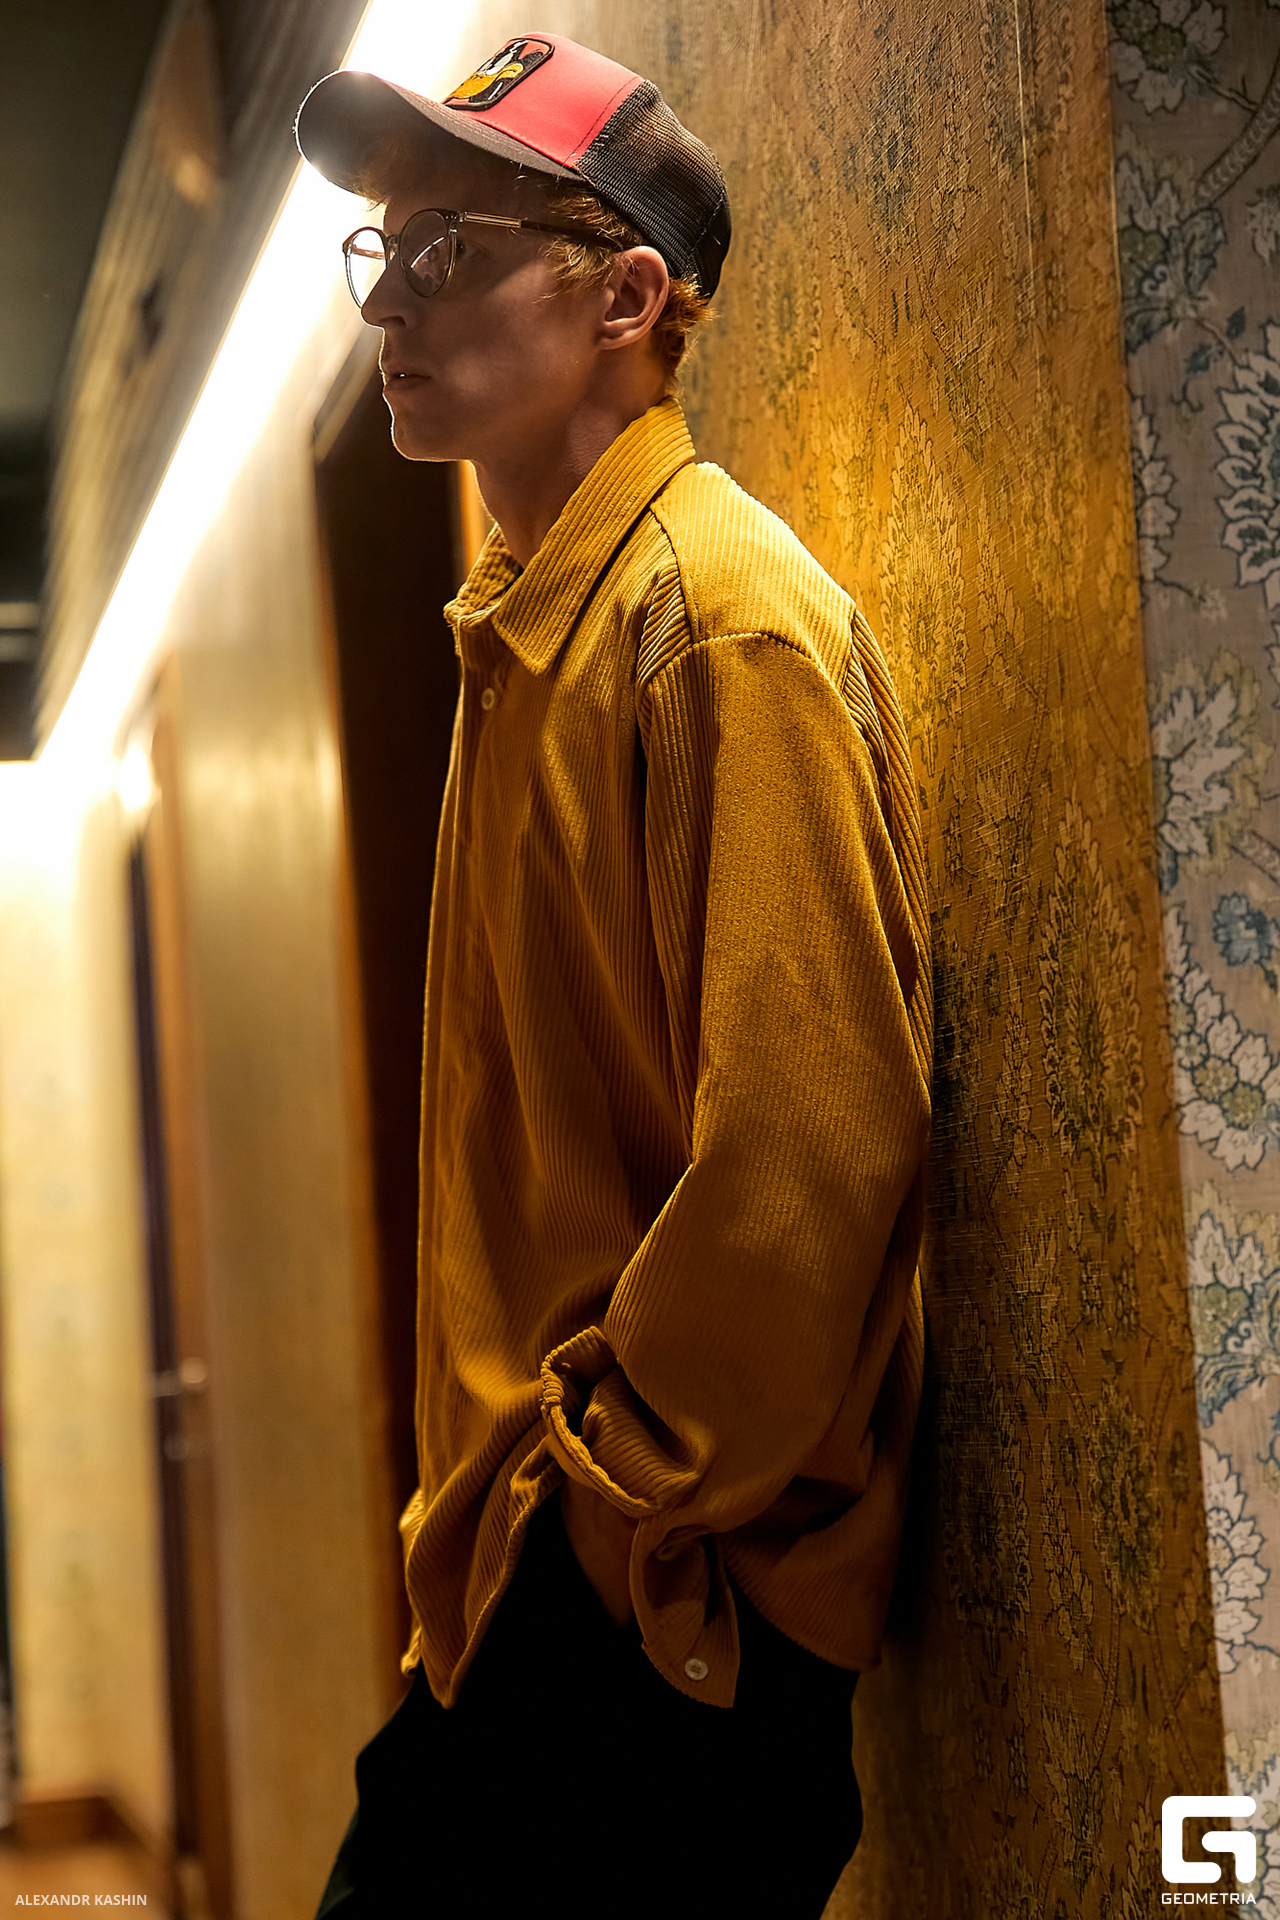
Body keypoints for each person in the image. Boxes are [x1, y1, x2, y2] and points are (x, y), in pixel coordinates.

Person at [296, 31, 932, 1919]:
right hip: (541, 1579)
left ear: (626, 301)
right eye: (383, 252)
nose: (389, 304)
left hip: (664, 1618)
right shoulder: (525, 628)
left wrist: (611, 1508)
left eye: (448, 252)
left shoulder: (712, 623)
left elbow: (811, 1153)